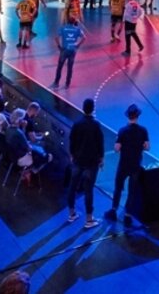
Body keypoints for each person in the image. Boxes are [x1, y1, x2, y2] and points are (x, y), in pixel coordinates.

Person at [104, 103, 149, 227]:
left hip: (124, 164)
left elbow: (117, 148)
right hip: (135, 164)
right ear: (137, 116)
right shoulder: (143, 131)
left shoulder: (123, 131)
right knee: (132, 191)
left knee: (118, 188)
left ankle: (113, 210)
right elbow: (147, 147)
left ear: (128, 116)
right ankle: (128, 216)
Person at [67, 98, 104, 229]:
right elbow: (100, 143)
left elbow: (71, 140)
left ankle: (71, 213)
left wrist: (72, 155)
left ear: (83, 108)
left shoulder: (77, 124)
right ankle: (89, 219)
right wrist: (101, 159)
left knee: (72, 187)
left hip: (78, 160)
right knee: (89, 191)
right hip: (91, 163)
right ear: (93, 109)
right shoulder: (96, 125)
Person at [53, 16, 85, 89]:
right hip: (73, 50)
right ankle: (67, 83)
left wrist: (59, 46)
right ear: (74, 22)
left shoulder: (63, 28)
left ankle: (56, 82)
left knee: (60, 66)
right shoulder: (77, 29)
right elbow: (84, 38)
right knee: (70, 67)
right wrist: (78, 45)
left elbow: (56, 37)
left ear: (67, 21)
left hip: (64, 49)